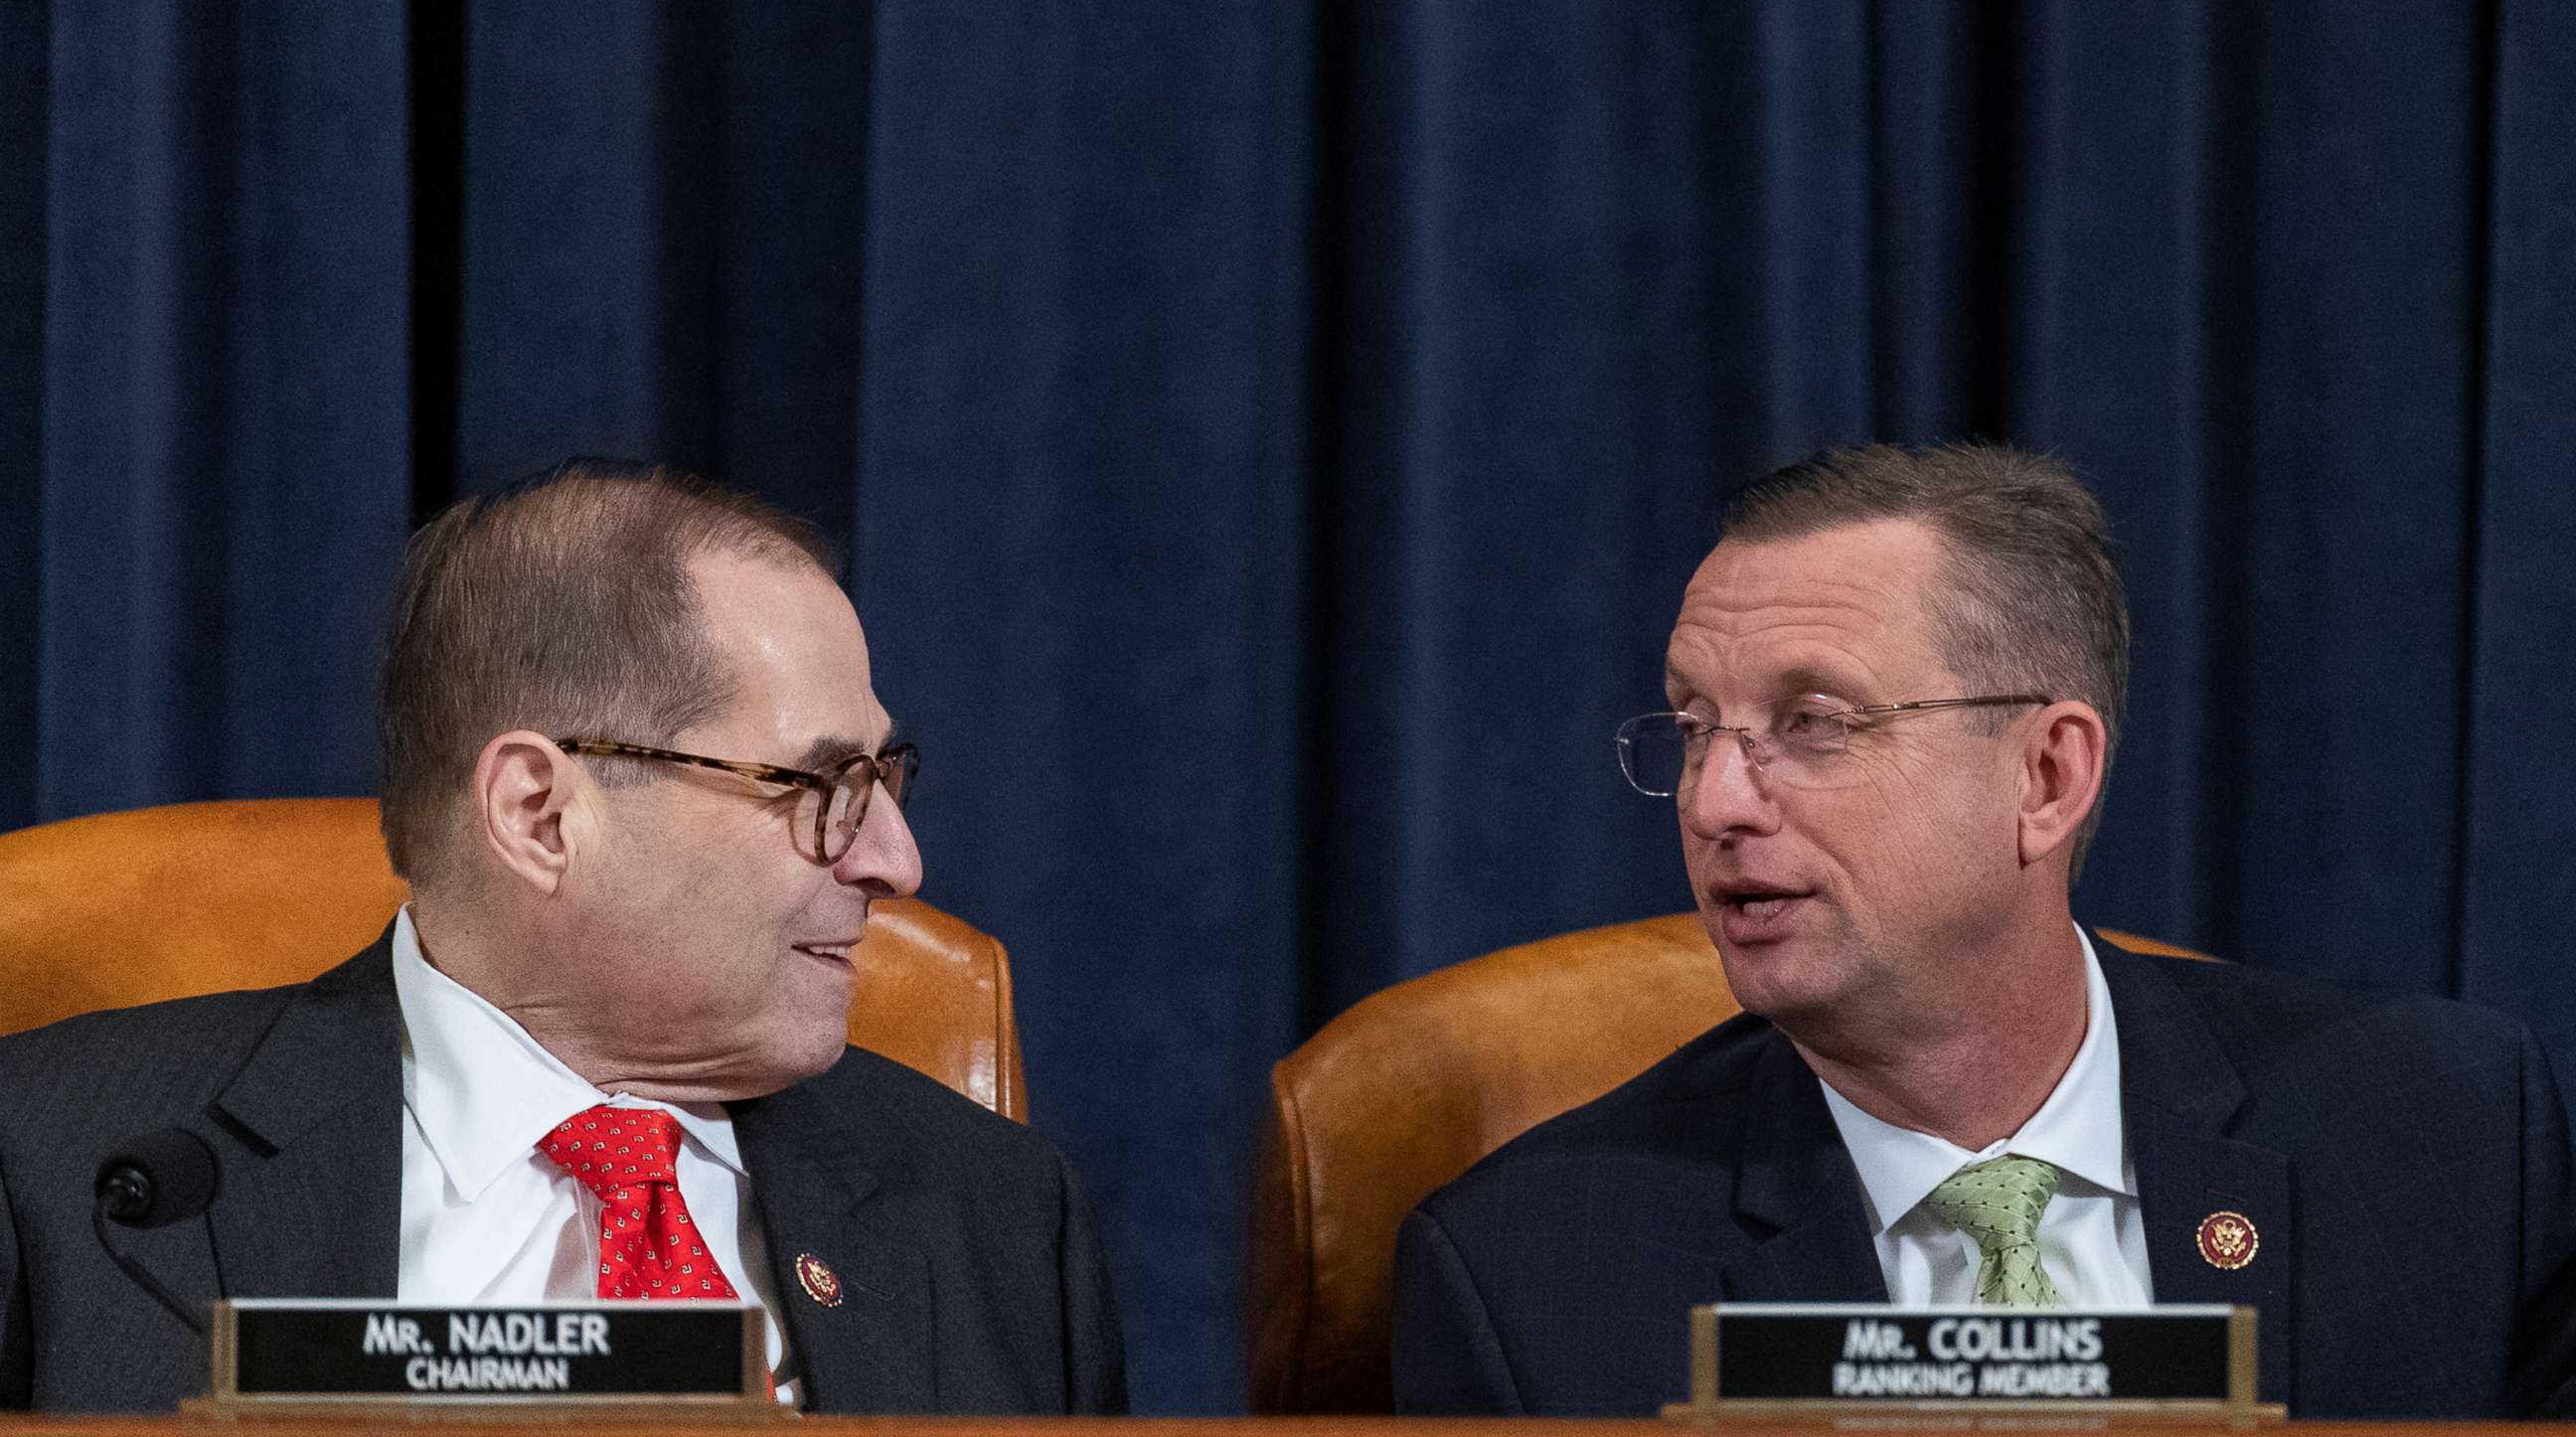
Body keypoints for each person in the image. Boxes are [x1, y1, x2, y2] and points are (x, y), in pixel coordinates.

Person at [1391, 442, 2576, 1417]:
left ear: (2047, 777)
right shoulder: (1531, 1280)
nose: (1713, 801)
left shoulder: (2452, 1140)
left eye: (1811, 721)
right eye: (1697, 725)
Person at [0, 461, 1125, 1413]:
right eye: (822, 784)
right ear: (539, 815)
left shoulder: (1002, 1223)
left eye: (888, 781)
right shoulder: (60, 1168)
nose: (895, 862)